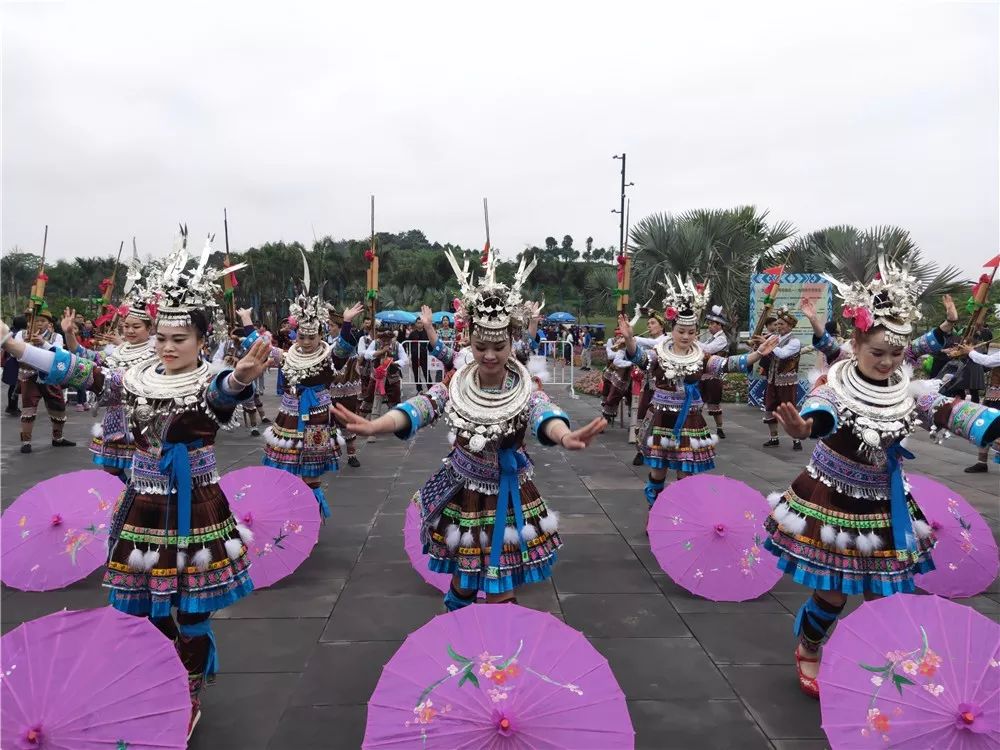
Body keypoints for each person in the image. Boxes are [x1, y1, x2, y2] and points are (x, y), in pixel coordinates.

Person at [0, 233, 268, 738]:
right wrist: (14, 346)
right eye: (162, 338)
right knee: (142, 606)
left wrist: (239, 380)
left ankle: (189, 688)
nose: (167, 347)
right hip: (143, 501)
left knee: (190, 610)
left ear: (200, 341)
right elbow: (81, 371)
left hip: (195, 504)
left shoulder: (209, 379)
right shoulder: (137, 378)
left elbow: (222, 396)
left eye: (179, 339)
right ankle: (161, 673)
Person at [770, 263, 997, 699]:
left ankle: (876, 660)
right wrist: (804, 429)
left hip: (885, 501)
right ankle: (809, 646)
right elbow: (821, 412)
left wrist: (992, 424)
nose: (888, 361)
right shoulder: (834, 383)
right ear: (854, 345)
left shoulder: (906, 385)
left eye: (896, 353)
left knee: (886, 595)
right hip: (835, 497)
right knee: (833, 595)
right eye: (877, 352)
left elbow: (948, 409)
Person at [334, 250, 606, 609]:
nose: (489, 355)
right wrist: (377, 425)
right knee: (463, 583)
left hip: (509, 493)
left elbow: (544, 412)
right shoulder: (456, 381)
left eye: (498, 346)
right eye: (481, 346)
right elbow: (422, 407)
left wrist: (563, 434)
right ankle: (460, 636)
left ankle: (498, 656)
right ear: (469, 343)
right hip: (465, 489)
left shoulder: (524, 387)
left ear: (513, 343)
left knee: (501, 587)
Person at [623, 278, 777, 507]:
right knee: (658, 472)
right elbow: (639, 358)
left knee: (685, 476)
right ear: (672, 330)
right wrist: (628, 339)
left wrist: (758, 354)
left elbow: (729, 364)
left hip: (690, 421)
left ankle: (681, 516)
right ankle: (655, 511)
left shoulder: (701, 356)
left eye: (691, 332)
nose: (686, 336)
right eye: (681, 331)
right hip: (661, 418)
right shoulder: (659, 353)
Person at [259, 255, 364, 516]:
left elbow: (345, 347)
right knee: (288, 470)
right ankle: (292, 513)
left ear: (320, 335)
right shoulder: (288, 355)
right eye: (302, 335)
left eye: (312, 336)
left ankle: (311, 517)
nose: (306, 341)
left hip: (316, 414)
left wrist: (348, 321)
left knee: (311, 473)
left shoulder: (328, 357)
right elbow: (264, 348)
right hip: (289, 413)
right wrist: (250, 324)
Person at [59, 259, 159, 478]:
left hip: (146, 420)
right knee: (111, 471)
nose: (130, 331)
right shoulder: (117, 351)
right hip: (115, 418)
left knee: (145, 474)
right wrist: (69, 333)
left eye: (136, 326)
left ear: (150, 328)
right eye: (126, 327)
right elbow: (85, 356)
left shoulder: (158, 353)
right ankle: (121, 504)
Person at [15, 310, 75, 453]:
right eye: (35, 320)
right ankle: (26, 442)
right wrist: (27, 344)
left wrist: (44, 343)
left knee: (58, 407)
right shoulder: (20, 335)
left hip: (50, 377)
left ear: (49, 323)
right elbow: (15, 354)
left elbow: (59, 354)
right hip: (28, 376)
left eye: (42, 321)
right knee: (28, 409)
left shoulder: (56, 336)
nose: (39, 323)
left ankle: (58, 438)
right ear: (29, 321)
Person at [756, 306, 803, 450]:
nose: (778, 326)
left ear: (790, 326)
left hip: (787, 382)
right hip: (772, 379)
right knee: (770, 407)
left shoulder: (795, 341)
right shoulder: (774, 338)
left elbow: (782, 354)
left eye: (782, 324)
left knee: (789, 411)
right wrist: (759, 344)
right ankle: (774, 437)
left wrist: (767, 344)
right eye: (777, 324)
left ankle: (796, 440)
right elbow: (762, 351)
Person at [632, 309, 667, 465]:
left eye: (653, 323)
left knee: (662, 421)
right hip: (648, 386)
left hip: (663, 389)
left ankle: (662, 452)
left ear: (661, 326)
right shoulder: (649, 342)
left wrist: (633, 338)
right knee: (642, 417)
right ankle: (641, 451)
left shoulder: (666, 340)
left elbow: (655, 344)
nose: (650, 326)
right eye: (648, 323)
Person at [360, 327, 409, 416]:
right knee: (369, 398)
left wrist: (393, 363)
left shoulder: (397, 345)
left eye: (388, 340)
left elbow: (405, 360)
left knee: (395, 400)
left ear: (391, 339)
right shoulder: (375, 343)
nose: (386, 342)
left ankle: (396, 421)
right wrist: (380, 352)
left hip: (392, 378)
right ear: (380, 338)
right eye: (383, 340)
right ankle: (363, 421)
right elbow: (367, 355)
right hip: (376, 378)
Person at [700, 305, 730, 438]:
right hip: (704, 374)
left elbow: (708, 349)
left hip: (715, 374)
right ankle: (698, 426)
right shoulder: (710, 338)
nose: (709, 326)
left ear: (719, 325)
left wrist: (693, 341)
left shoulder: (721, 339)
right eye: (710, 323)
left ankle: (719, 428)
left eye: (712, 324)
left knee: (714, 402)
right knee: (699, 401)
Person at [2, 314, 27, 416]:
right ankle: (12, 407)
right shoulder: (19, 334)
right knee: (15, 385)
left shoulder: (10, 332)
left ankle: (12, 406)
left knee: (13, 385)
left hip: (10, 361)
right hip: (15, 362)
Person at [407, 322, 430, 392]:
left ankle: (430, 388)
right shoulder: (412, 333)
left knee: (426, 372)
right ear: (416, 324)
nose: (419, 324)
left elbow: (430, 344)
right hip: (415, 356)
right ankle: (419, 389)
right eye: (418, 323)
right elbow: (408, 344)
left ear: (423, 324)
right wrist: (409, 354)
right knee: (416, 373)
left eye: (421, 322)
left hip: (424, 355)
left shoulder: (426, 333)